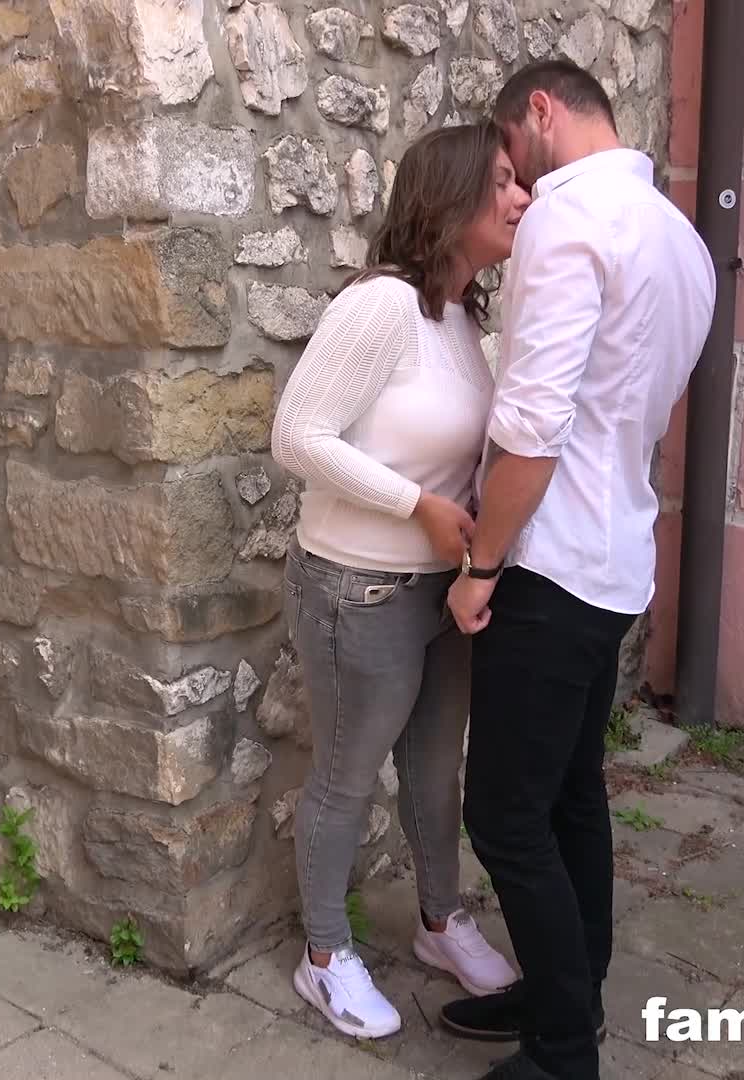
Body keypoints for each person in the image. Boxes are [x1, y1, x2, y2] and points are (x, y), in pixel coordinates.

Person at [441, 61, 715, 1080]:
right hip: (617, 554)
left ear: (542, 111)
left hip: (549, 562)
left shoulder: (569, 218)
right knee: (568, 795)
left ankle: (562, 1052)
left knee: (505, 814)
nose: (515, 184)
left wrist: (481, 565)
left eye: (512, 157)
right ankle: (570, 993)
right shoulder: (679, 237)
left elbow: (534, 427)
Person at [271, 121, 532, 1040]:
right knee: (347, 776)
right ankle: (323, 956)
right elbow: (296, 435)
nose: (521, 198)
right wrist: (416, 504)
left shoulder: (460, 318)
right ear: (452, 197)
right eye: (503, 181)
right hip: (358, 589)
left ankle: (439, 921)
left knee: (432, 768)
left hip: (441, 590)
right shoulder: (380, 306)